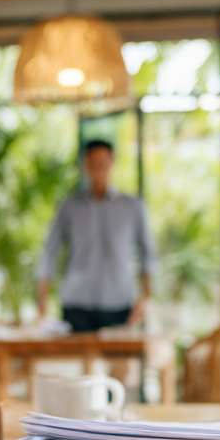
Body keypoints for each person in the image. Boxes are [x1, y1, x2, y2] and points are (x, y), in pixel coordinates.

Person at [36, 139, 157, 333]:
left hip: (118, 301)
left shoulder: (132, 206)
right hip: (76, 301)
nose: (98, 169)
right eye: (93, 163)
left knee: (120, 362)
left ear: (112, 162)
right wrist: (42, 299)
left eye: (103, 163)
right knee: (79, 361)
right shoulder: (69, 207)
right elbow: (50, 251)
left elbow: (148, 253)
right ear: (85, 165)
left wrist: (146, 297)